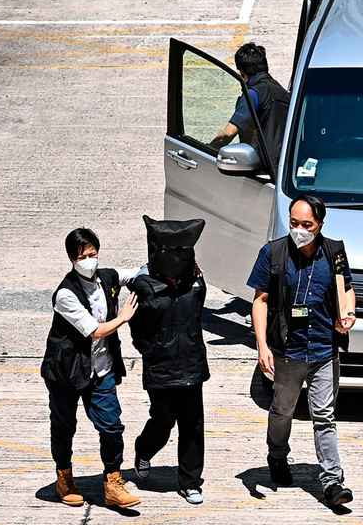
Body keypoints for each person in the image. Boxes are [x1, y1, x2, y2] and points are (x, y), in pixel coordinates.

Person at [247, 194, 357, 507]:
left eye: (306, 224)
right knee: (282, 410)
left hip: (324, 349)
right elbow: (261, 300)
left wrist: (349, 313)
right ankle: (277, 456)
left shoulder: (334, 252)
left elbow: (346, 287)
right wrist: (262, 346)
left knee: (324, 415)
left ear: (320, 224)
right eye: (294, 223)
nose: (299, 230)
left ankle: (332, 481)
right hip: (287, 351)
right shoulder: (274, 252)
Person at [40, 228, 142, 509]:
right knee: (64, 426)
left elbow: (136, 273)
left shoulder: (106, 278)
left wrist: (176, 263)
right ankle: (64, 478)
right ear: (72, 259)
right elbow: (95, 331)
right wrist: (123, 318)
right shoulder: (65, 294)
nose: (89, 260)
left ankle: (113, 481)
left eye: (93, 254)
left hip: (101, 369)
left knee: (112, 425)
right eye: (82, 256)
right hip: (67, 372)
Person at [129, 216, 209, 506]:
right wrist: (152, 349)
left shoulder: (196, 282)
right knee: (163, 420)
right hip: (160, 364)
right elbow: (135, 327)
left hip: (191, 364)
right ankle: (144, 450)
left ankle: (189, 481)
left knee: (192, 424)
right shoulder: (144, 285)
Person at [208, 42, 289, 167]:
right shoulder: (282, 92)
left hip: (261, 168)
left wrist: (206, 150)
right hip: (282, 166)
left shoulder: (253, 94)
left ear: (242, 73)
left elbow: (227, 134)